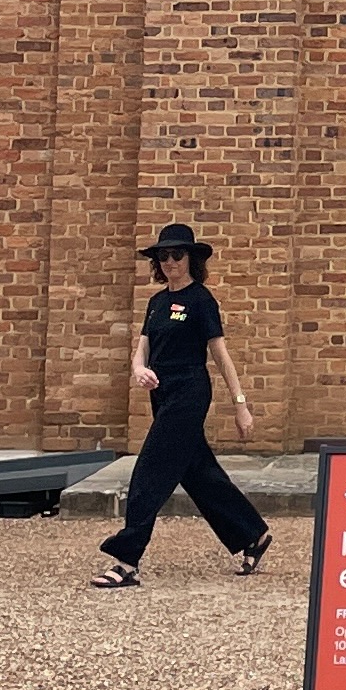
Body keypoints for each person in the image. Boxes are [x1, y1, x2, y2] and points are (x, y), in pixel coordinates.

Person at [95, 226, 271, 587]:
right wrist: (139, 370)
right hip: (161, 392)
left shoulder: (201, 300)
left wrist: (240, 405)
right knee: (197, 472)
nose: (170, 261)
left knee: (150, 470)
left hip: (189, 392)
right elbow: (142, 348)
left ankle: (127, 560)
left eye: (178, 254)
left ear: (191, 258)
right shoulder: (157, 303)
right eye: (163, 256)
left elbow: (220, 355)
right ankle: (252, 534)